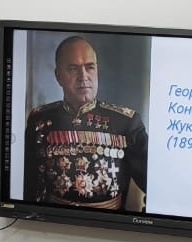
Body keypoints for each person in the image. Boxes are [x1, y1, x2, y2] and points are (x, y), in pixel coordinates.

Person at [24, 35, 149, 211]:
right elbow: (27, 184)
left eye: (89, 67)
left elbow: (156, 186)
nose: (83, 77)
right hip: (53, 221)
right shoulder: (40, 119)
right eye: (73, 69)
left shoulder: (126, 122)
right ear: (58, 76)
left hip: (107, 224)